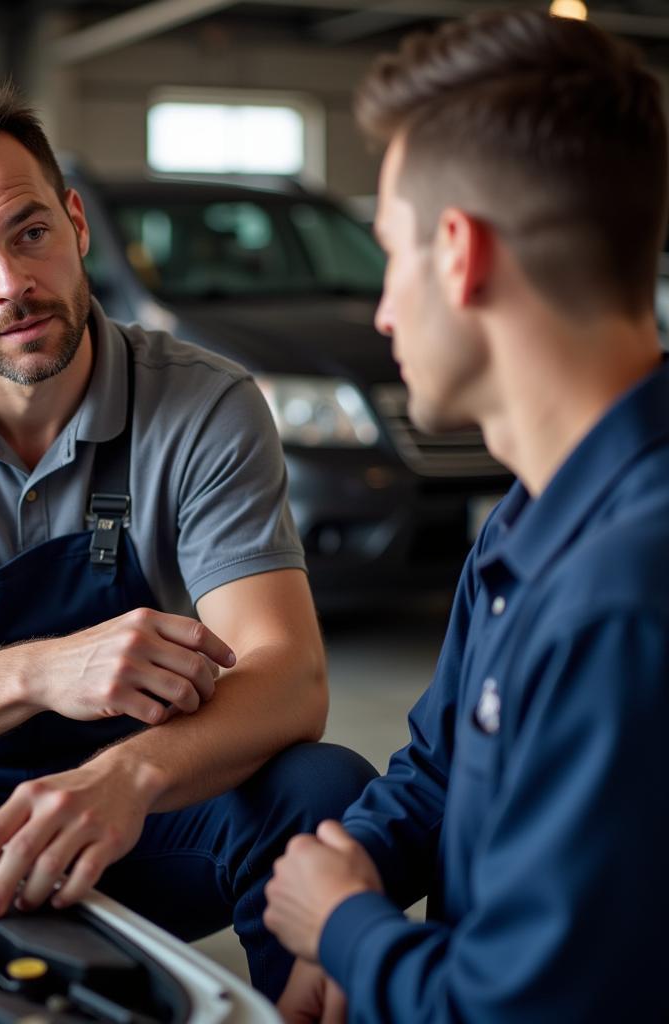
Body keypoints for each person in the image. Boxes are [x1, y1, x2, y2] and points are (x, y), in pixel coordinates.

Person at [0, 77, 376, 999]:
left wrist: (127, 778)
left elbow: (291, 677)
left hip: (137, 814)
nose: (12, 285)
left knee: (325, 794)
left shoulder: (203, 404)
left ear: (76, 225)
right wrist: (44, 669)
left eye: (29, 233)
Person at [263, 8, 669, 1020]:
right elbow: (447, 764)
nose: (382, 310)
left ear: (458, 253)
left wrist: (348, 931)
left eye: (390, 255)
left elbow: (526, 1007)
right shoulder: (534, 517)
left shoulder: (622, 599)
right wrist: (350, 863)